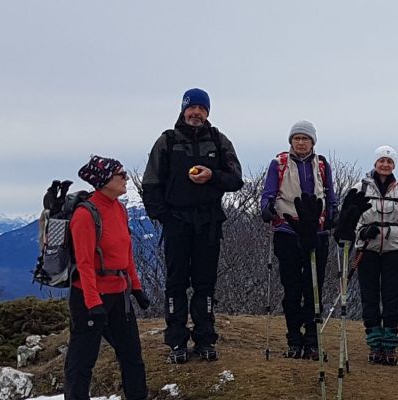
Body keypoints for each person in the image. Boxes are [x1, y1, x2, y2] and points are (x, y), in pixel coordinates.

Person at [139, 88, 244, 363]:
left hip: (208, 223)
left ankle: (205, 339)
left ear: (207, 112)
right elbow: (150, 183)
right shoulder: (167, 141)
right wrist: (164, 216)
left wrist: (213, 176)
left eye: (202, 108)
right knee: (175, 284)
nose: (196, 113)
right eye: (192, 108)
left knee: (205, 284)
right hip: (177, 222)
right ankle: (176, 342)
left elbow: (236, 180)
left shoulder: (219, 141)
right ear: (183, 109)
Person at [64, 156, 151, 400]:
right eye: (120, 174)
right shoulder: (85, 214)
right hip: (90, 297)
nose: (126, 178)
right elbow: (84, 263)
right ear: (104, 180)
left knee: (132, 356)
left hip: (119, 295)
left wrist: (136, 287)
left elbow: (126, 252)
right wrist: (93, 303)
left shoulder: (119, 209)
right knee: (82, 361)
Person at [259, 120, 340, 359]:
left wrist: (334, 213)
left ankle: (312, 340)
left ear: (313, 141)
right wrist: (267, 209)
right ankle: (294, 339)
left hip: (317, 231)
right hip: (287, 230)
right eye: (297, 138)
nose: (301, 142)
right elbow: (268, 193)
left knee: (314, 288)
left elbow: (330, 193)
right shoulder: (279, 164)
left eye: (305, 138)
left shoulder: (322, 164)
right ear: (291, 141)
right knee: (292, 288)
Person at [347, 146, 398, 365]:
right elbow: (351, 216)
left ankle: (390, 345)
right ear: (375, 163)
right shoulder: (360, 187)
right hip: (367, 250)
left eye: (389, 161)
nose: (385, 165)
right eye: (381, 161)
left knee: (391, 298)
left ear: (394, 165)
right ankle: (374, 343)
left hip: (395, 250)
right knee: (369, 297)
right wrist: (361, 233)